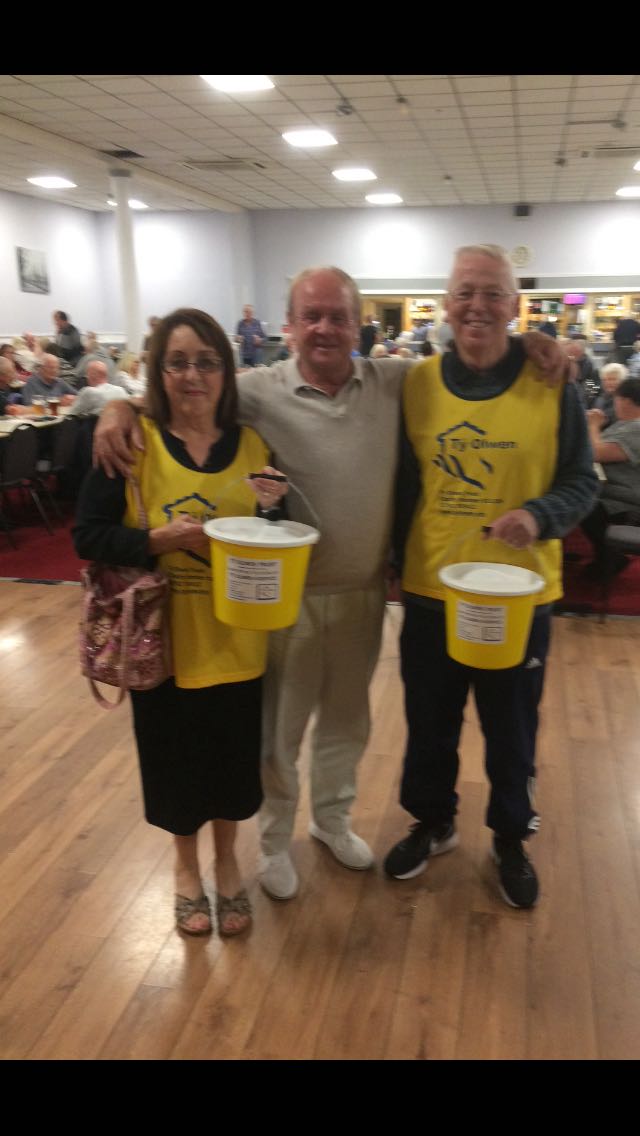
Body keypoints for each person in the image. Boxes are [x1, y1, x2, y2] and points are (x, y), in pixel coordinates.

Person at [92, 267, 571, 904]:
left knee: (348, 723)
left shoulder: (396, 380)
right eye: (311, 316)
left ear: (358, 324)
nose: (324, 328)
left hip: (364, 592)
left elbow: (472, 360)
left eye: (338, 316)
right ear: (290, 325)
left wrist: (534, 342)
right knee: (279, 734)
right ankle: (272, 843)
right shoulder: (256, 389)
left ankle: (332, 820)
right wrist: (118, 407)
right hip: (282, 597)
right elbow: (185, 391)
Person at [384, 244, 598, 909]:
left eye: (494, 293)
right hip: (432, 591)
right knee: (429, 723)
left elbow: (582, 481)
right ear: (446, 304)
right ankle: (433, 821)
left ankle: (511, 836)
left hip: (518, 596)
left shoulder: (552, 381)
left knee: (513, 729)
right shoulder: (414, 383)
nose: (478, 305)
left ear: (514, 305)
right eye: (465, 292)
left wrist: (538, 515)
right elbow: (403, 486)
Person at [73, 308, 288, 937]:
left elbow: (273, 541)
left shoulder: (253, 447)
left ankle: (228, 862)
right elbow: (89, 535)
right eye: (177, 362)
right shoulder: (131, 443)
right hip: (160, 643)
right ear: (158, 372)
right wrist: (155, 541)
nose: (193, 375)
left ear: (226, 370)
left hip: (237, 641)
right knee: (175, 767)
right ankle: (185, 869)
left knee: (230, 765)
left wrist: (271, 514)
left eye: (206, 361)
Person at [581, 377, 640, 579]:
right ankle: (607, 556)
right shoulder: (625, 425)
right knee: (583, 498)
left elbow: (596, 452)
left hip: (626, 501)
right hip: (613, 492)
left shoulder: (636, 428)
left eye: (615, 399)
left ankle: (611, 558)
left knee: (584, 504)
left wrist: (593, 425)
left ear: (625, 400)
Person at [564, 337, 601, 409]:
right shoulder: (565, 364)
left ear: (582, 352)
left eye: (574, 352)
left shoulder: (590, 369)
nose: (572, 356)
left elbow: (592, 393)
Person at [592, 361, 626, 426]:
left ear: (622, 381)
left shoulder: (626, 401)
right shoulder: (600, 398)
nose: (607, 383)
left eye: (612, 379)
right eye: (604, 380)